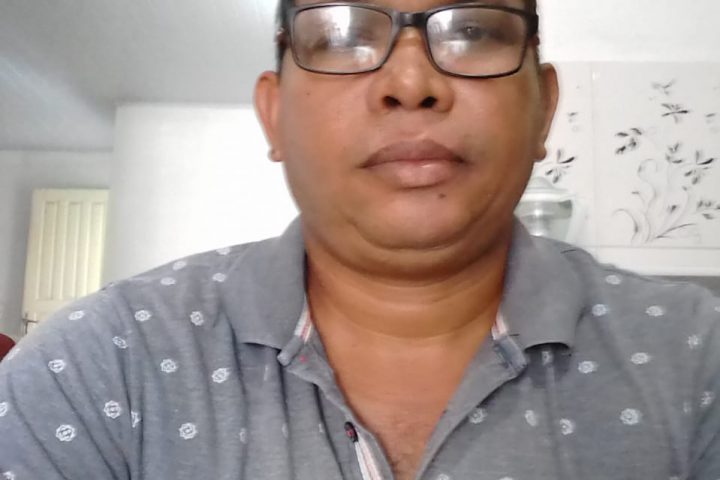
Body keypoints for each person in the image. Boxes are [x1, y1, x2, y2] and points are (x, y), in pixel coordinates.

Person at [1, 0, 720, 478]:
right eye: (342, 35)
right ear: (274, 116)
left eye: (473, 30)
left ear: (544, 109)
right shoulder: (96, 368)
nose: (410, 81)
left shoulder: (698, 358)